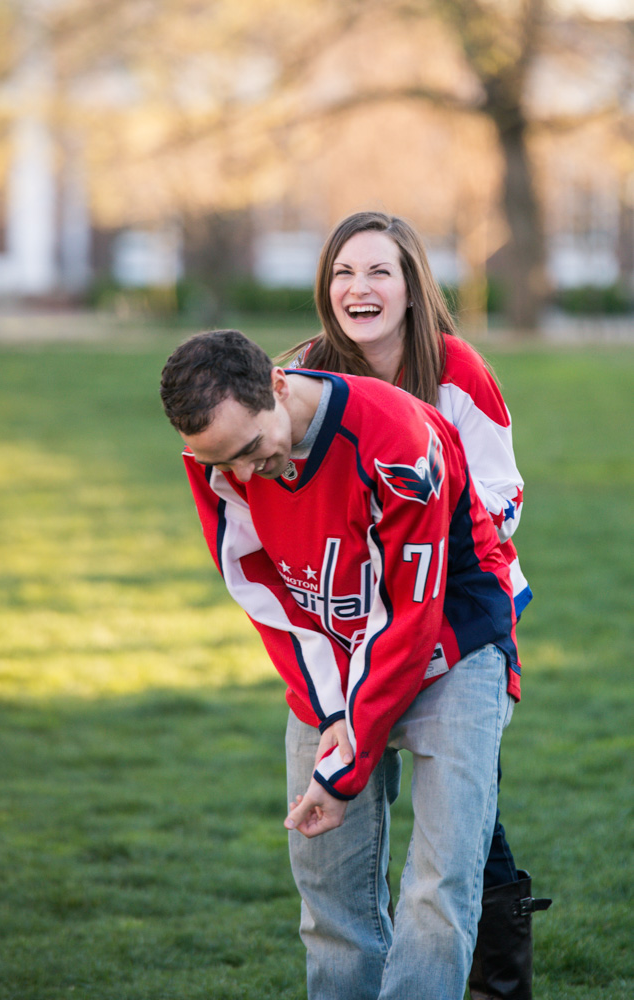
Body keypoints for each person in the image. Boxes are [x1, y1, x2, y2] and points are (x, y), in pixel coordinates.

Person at [160, 328, 524, 1000]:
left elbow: (407, 616)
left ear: (275, 383)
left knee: (437, 886)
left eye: (248, 450)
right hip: (335, 654)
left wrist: (345, 761)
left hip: (452, 644)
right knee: (328, 891)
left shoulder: (395, 437)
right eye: (219, 462)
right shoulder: (214, 459)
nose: (240, 475)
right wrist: (333, 712)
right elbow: (262, 590)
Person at [283, 211, 551, 1000]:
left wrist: (421, 562)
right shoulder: (304, 372)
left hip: (456, 613)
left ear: (410, 288)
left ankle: (497, 980)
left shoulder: (454, 368)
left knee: (463, 821)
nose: (357, 288)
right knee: (358, 803)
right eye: (342, 273)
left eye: (378, 272)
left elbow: (502, 492)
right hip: (353, 623)